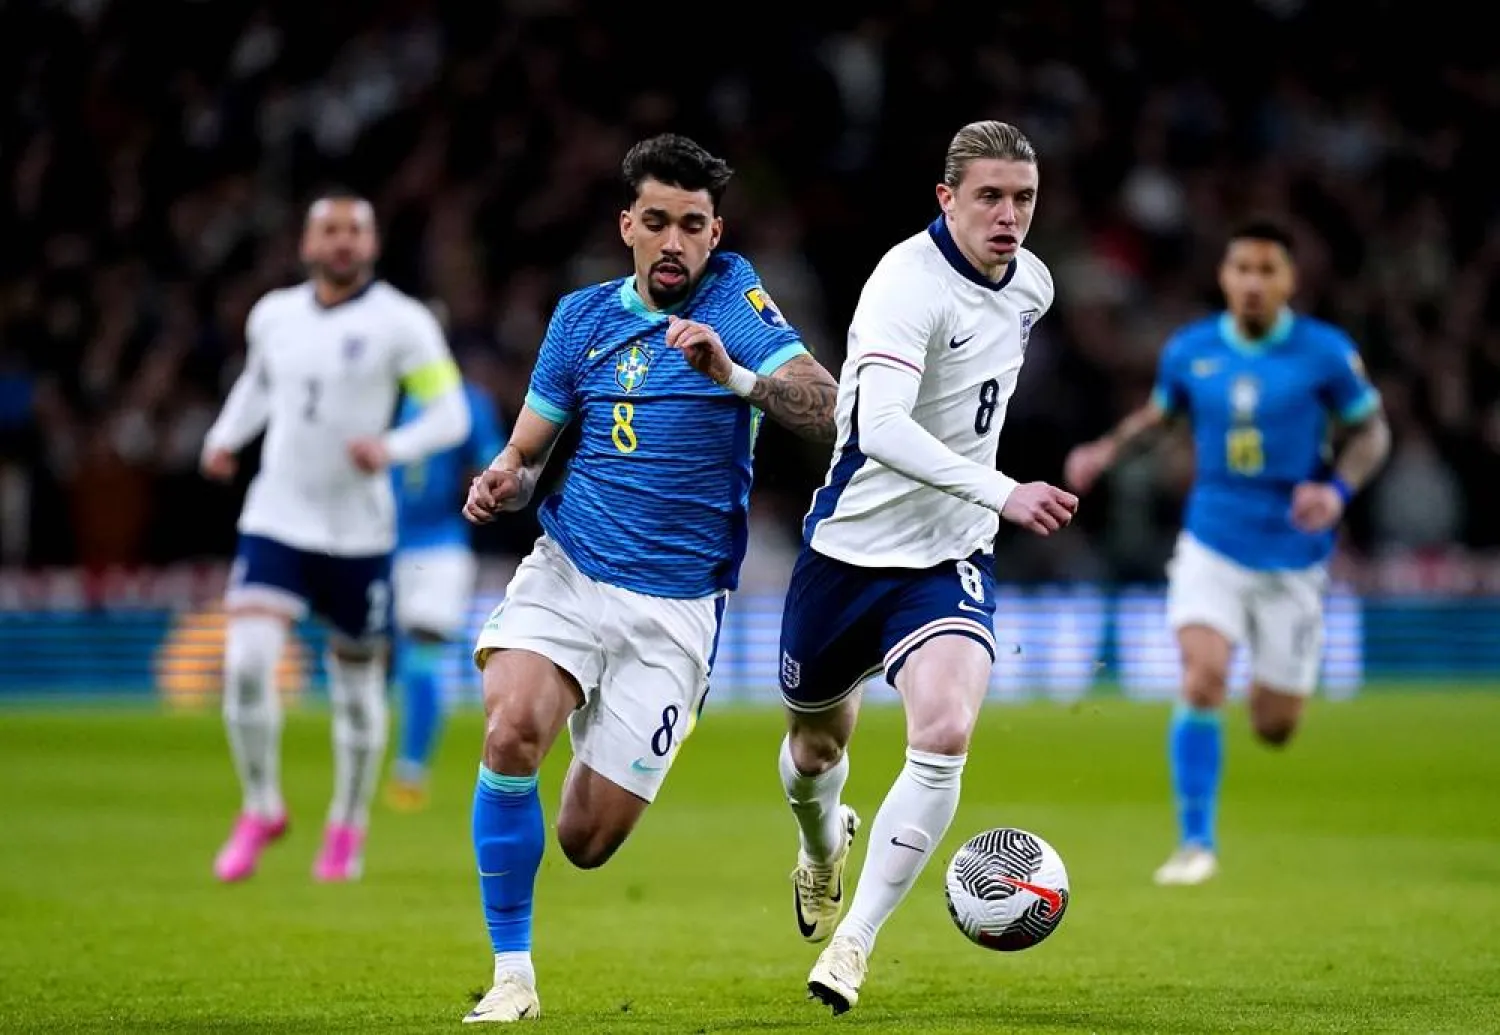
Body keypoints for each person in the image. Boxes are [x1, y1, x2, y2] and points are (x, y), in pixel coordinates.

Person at [458, 132, 839, 1023]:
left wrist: (734, 373)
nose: (675, 242)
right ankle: (513, 972)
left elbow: (824, 406)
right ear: (627, 224)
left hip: (674, 608)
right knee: (512, 729)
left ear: (716, 232)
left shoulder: (734, 300)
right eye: (657, 222)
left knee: (587, 841)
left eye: (693, 225)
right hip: (571, 567)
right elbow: (525, 448)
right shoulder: (581, 320)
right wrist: (505, 475)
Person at [775, 120, 1077, 1015]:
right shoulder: (906, 285)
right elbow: (876, 427)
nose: (1009, 216)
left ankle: (854, 944)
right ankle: (823, 847)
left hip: (946, 558)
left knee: (943, 732)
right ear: (946, 198)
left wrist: (981, 505)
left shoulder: (1033, 284)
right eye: (989, 196)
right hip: (846, 552)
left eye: (1023, 198)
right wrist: (1002, 486)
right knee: (811, 753)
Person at [1063, 218, 1391, 886]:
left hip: (1295, 555)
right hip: (1212, 537)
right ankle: (1195, 842)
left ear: (1289, 280)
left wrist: (1337, 489)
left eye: (1268, 270)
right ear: (1224, 276)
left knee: (1275, 725)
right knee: (1202, 675)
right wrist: (1105, 449)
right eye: (1242, 268)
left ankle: (1268, 680)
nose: (1252, 282)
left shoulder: (1325, 352)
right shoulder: (1191, 350)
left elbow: (1371, 433)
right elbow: (1160, 417)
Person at [201, 190, 471, 883]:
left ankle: (347, 821)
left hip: (359, 532)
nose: (343, 241)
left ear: (372, 244)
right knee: (246, 664)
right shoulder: (274, 316)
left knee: (355, 692)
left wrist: (392, 446)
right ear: (307, 243)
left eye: (355, 230)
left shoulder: (402, 323)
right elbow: (259, 385)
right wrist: (225, 437)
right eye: (330, 229)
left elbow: (448, 415)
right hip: (277, 517)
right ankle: (261, 805)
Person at [385, 375, 508, 810]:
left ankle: (410, 770)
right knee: (394, 663)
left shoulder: (469, 402)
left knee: (422, 659)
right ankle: (394, 761)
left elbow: (492, 463)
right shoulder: (388, 394)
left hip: (440, 547)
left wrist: (474, 488)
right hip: (387, 543)